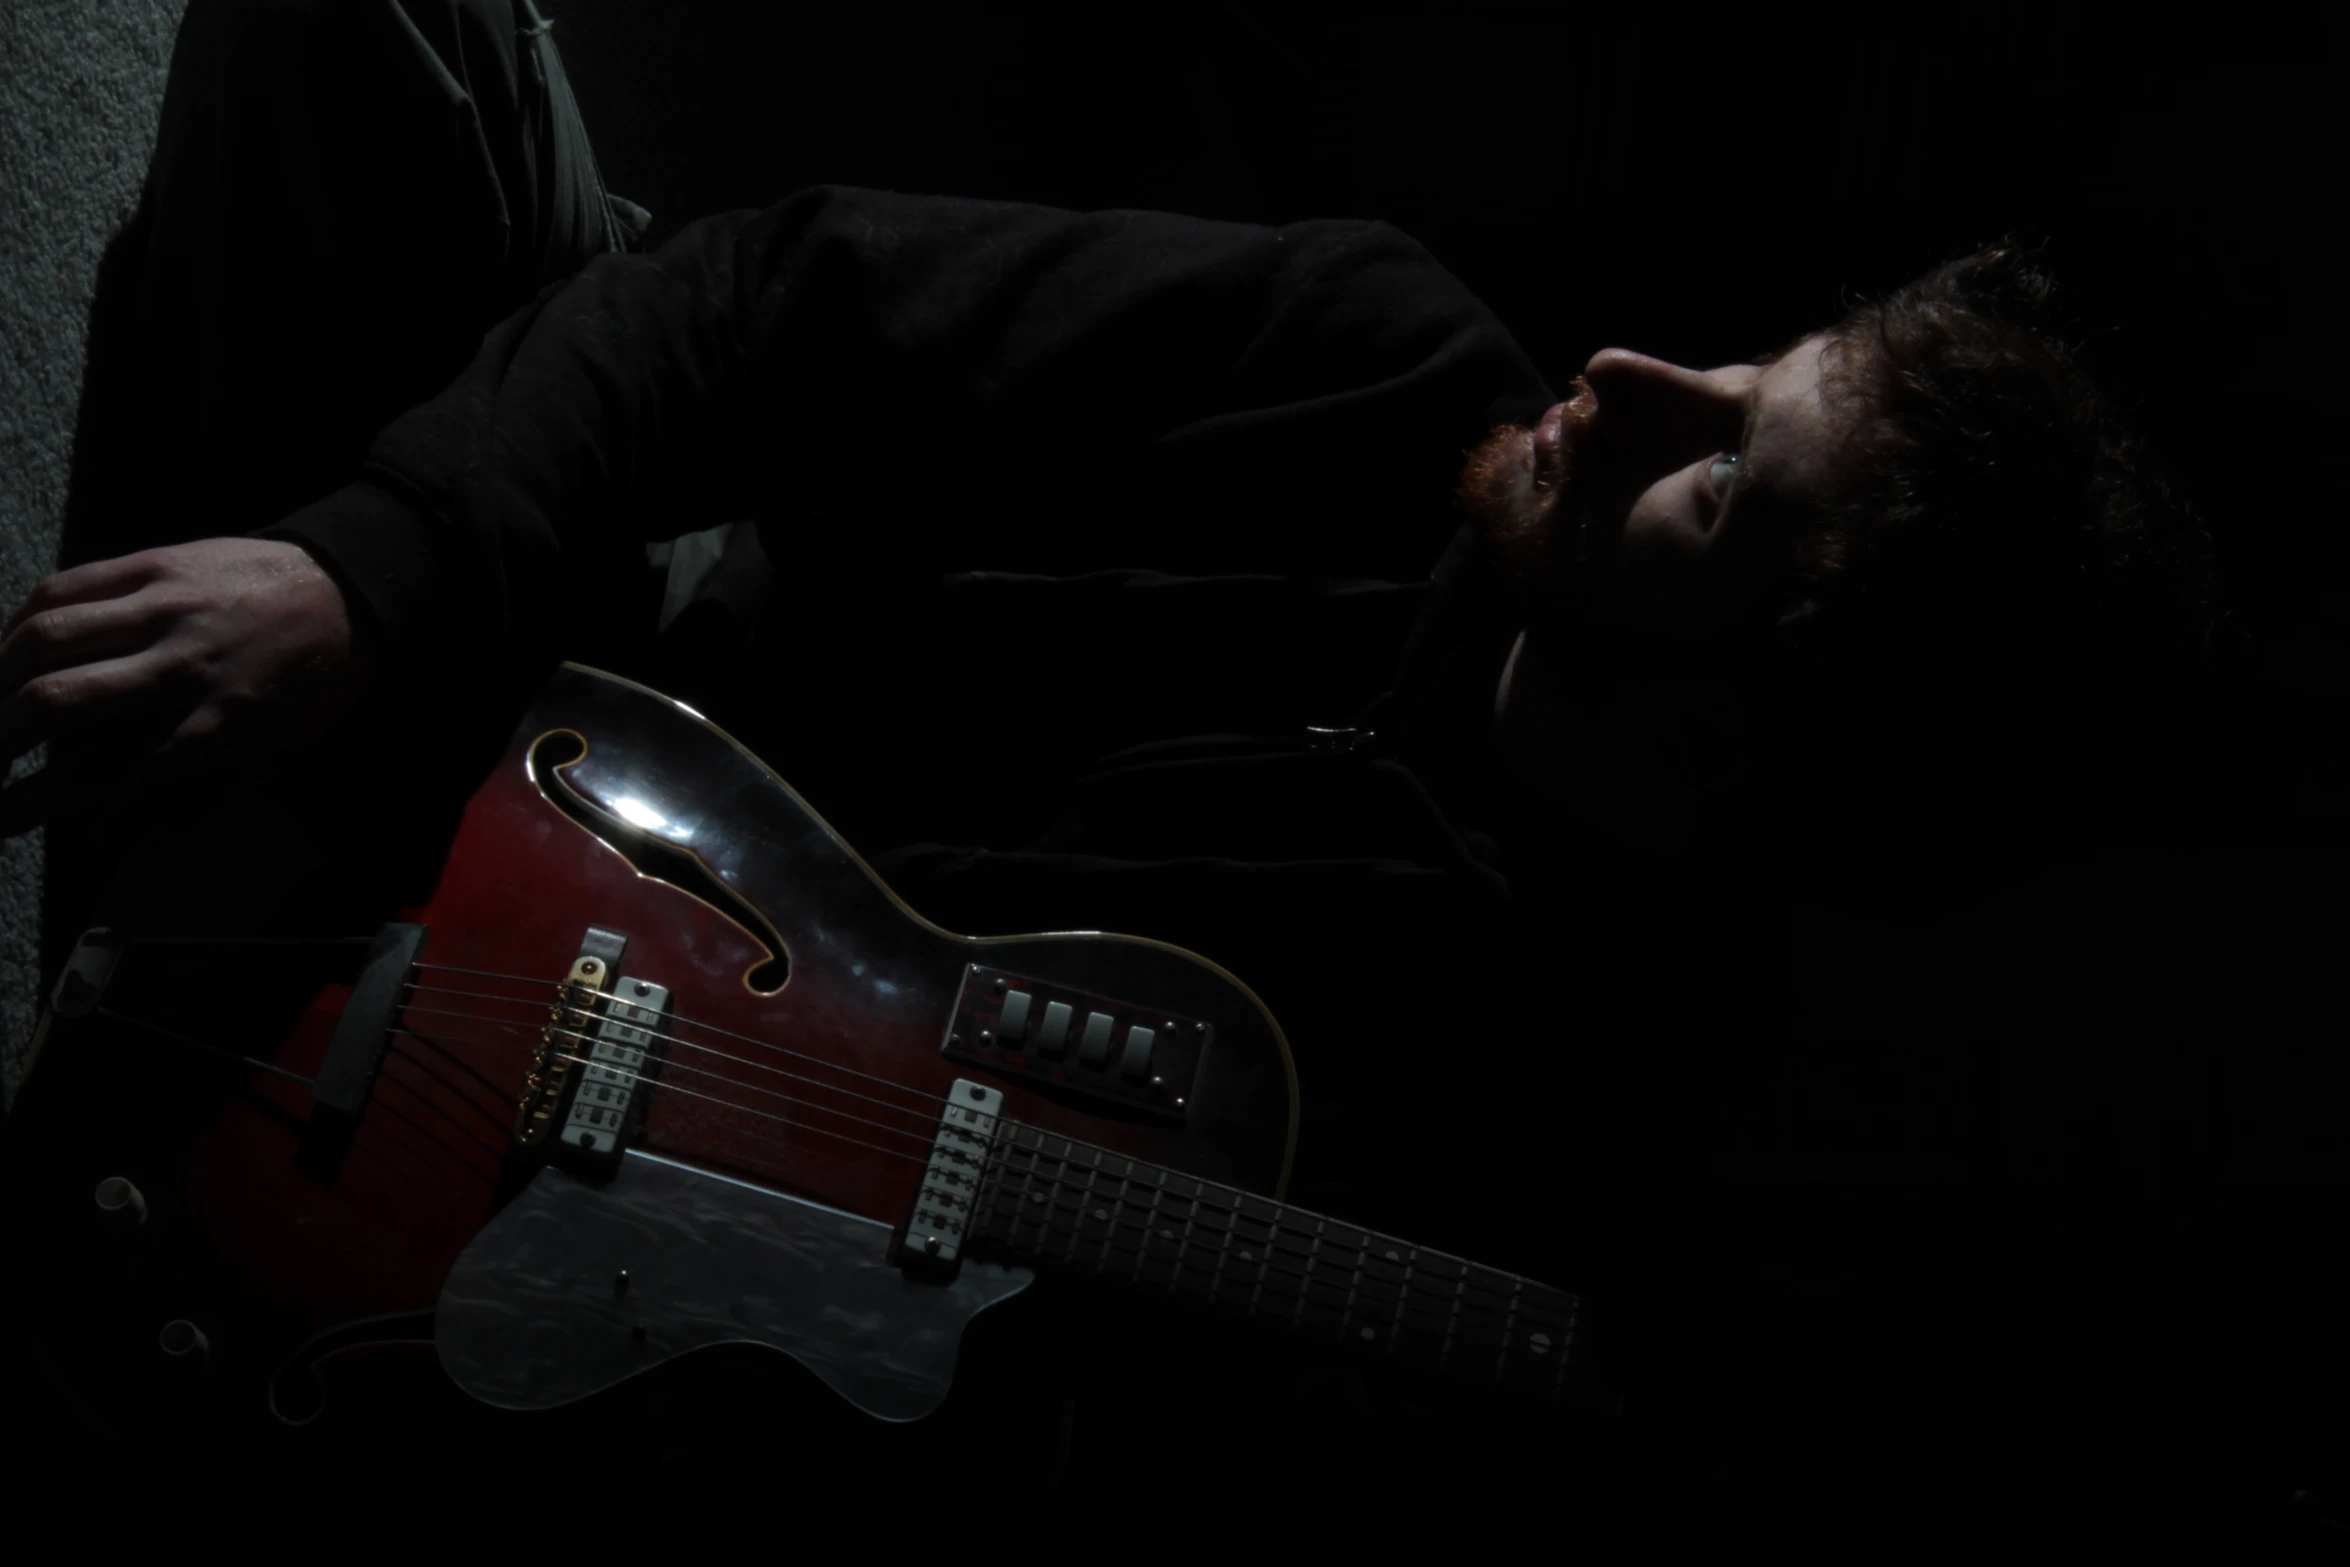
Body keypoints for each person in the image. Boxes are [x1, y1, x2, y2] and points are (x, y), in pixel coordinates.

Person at [0, 0, 2222, 1524]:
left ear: (1745, 758)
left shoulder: (1562, 1137)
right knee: (398, 32)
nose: (1631, 373)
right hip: (637, 648)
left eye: (1720, 489)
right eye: (1739, 371)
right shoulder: (1381, 359)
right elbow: (766, 309)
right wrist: (374, 580)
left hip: (600, 1140)